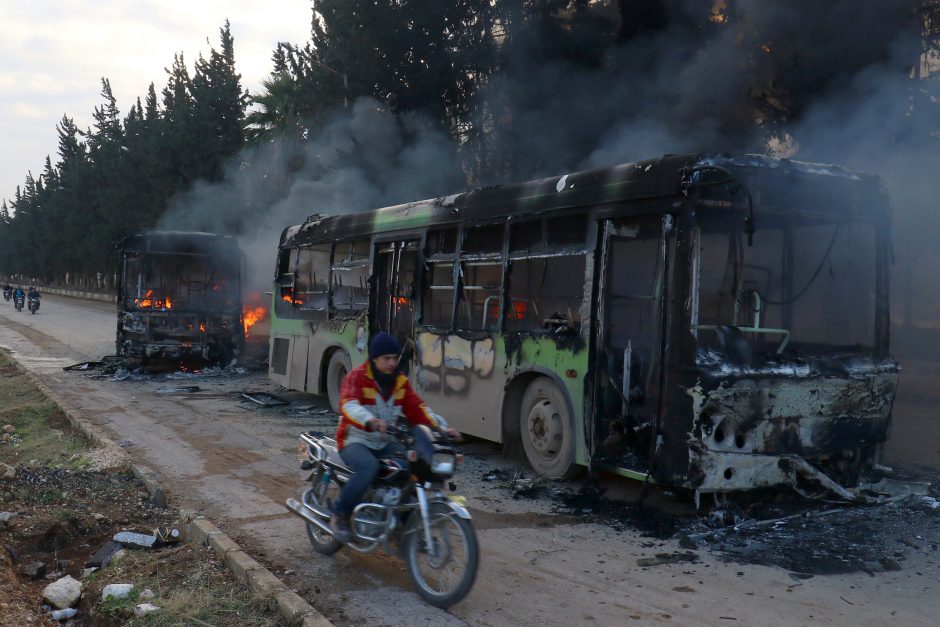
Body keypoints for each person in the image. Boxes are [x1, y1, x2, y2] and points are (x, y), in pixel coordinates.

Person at [330, 332, 461, 542]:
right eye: (386, 359)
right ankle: (341, 514)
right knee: (368, 467)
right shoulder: (358, 377)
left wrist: (441, 429)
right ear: (374, 358)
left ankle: (404, 522)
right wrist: (370, 421)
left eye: (394, 358)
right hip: (354, 439)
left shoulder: (400, 382)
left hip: (384, 441)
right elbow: (348, 405)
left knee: (411, 466)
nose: (392, 363)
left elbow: (418, 410)